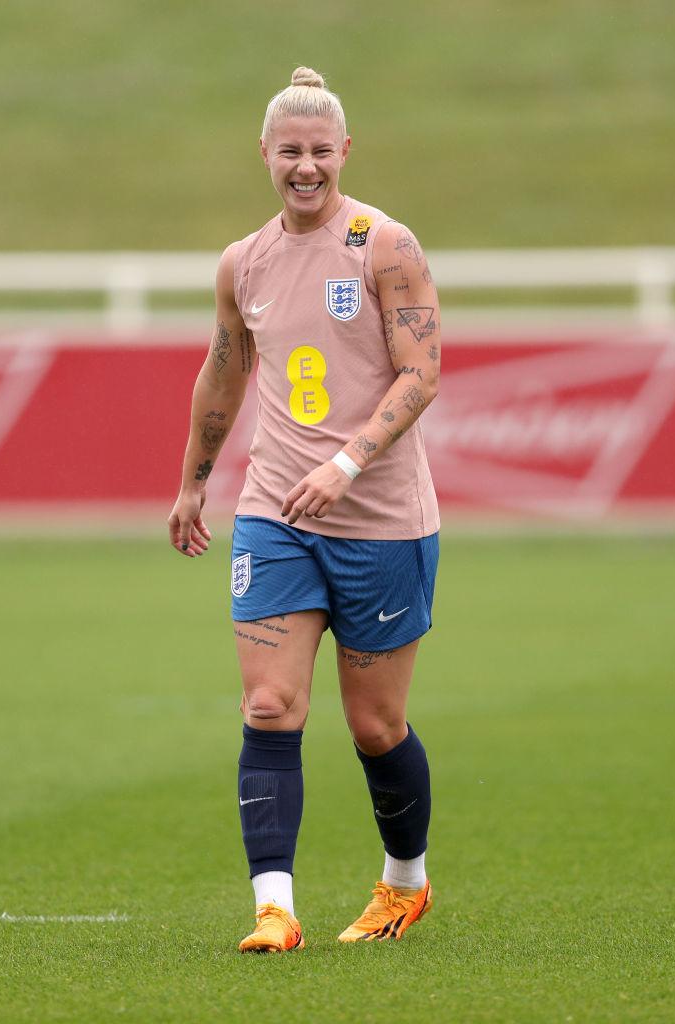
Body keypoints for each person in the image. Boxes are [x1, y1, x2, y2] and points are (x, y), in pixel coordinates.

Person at [168, 66, 441, 953]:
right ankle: (275, 909)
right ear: (265, 154)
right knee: (269, 705)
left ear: (345, 151)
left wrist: (349, 462)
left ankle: (405, 883)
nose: (306, 167)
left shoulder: (384, 245)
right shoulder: (243, 262)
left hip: (381, 519)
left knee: (375, 726)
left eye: (321, 151)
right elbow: (223, 373)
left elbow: (422, 373)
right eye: (290, 151)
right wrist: (194, 481)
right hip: (276, 514)